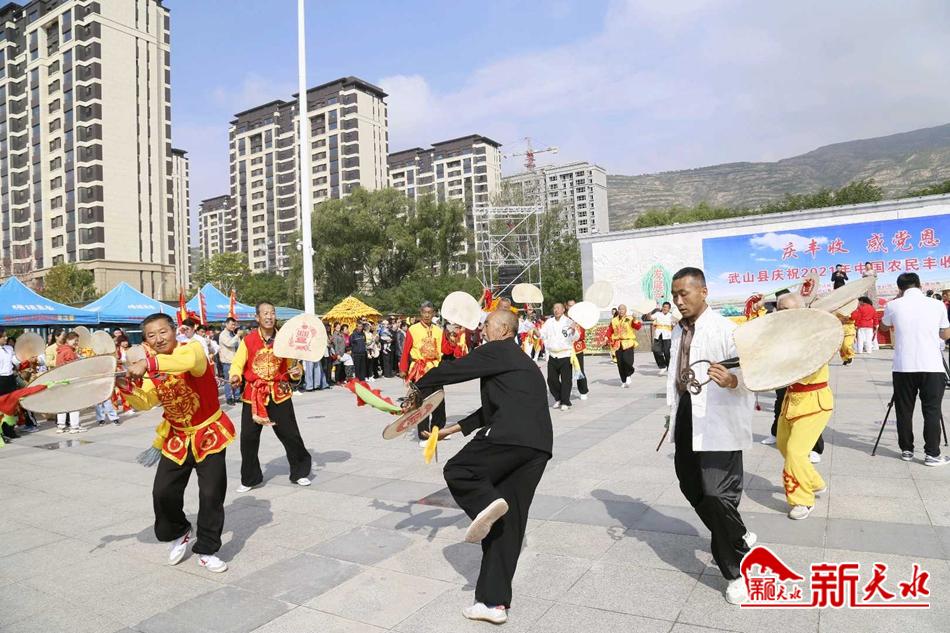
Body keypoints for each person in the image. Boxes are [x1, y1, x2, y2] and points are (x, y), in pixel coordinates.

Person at [408, 309, 551, 625]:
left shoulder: (498, 349)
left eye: (486, 324)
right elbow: (491, 409)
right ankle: (493, 604)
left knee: (459, 470)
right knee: (507, 526)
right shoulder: (520, 361)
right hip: (537, 448)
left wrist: (418, 387)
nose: (482, 328)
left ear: (502, 329)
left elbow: (456, 369)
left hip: (509, 437)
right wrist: (452, 429)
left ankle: (487, 502)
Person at [667, 267, 755, 605]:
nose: (678, 301)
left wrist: (732, 381)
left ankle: (736, 570)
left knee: (717, 493)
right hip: (687, 413)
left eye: (684, 293)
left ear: (703, 292)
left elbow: (752, 373)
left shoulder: (727, 330)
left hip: (719, 419)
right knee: (690, 485)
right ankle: (736, 531)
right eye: (675, 295)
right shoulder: (679, 330)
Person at [123, 313, 234, 573]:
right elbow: (146, 401)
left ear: (175, 331)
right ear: (146, 341)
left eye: (163, 331)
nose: (159, 338)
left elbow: (187, 362)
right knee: (162, 492)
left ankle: (207, 549)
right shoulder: (153, 370)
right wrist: (126, 388)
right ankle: (179, 530)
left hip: (209, 433)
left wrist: (149, 362)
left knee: (211, 494)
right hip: (177, 436)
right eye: (151, 335)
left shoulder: (192, 349)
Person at [228, 302, 312, 491]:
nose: (269, 316)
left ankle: (300, 472)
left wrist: (296, 372)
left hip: (279, 393)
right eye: (265, 313)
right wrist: (235, 376)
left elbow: (293, 366)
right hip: (254, 394)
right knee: (248, 438)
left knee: (290, 435)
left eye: (272, 313)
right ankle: (250, 479)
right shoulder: (248, 340)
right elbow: (237, 364)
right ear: (257, 317)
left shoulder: (285, 339)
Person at [879, 272, 950, 466]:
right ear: (919, 285)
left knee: (903, 410)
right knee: (932, 410)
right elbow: (945, 335)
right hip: (931, 365)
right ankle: (932, 454)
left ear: (900, 288)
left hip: (903, 366)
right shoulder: (937, 304)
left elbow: (883, 328)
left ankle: (907, 450)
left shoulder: (893, 305)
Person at [773, 292, 831, 520]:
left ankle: (802, 500)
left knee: (795, 452)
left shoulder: (814, 333)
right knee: (783, 445)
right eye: (779, 309)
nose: (781, 314)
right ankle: (814, 482)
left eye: (786, 309)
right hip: (791, 400)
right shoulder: (781, 335)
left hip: (814, 401)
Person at [399, 301, 451, 445]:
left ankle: (438, 430)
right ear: (420, 313)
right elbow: (406, 351)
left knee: (439, 401)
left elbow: (445, 350)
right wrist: (403, 369)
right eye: (424, 312)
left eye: (430, 312)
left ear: (433, 313)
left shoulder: (439, 330)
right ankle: (423, 435)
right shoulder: (413, 329)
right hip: (420, 370)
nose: (427, 315)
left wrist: (453, 339)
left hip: (435, 368)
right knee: (422, 403)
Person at [540, 303, 578, 410]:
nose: (556, 310)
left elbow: (576, 337)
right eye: (554, 308)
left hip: (565, 354)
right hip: (553, 354)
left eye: (558, 308)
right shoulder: (549, 322)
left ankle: (565, 401)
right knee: (551, 380)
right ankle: (558, 398)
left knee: (566, 380)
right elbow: (543, 333)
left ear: (563, 310)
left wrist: (573, 330)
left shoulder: (569, 322)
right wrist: (537, 333)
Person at [55, 332, 84, 434]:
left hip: (61, 380)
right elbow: (73, 367)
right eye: (75, 340)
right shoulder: (69, 351)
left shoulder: (60, 350)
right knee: (74, 404)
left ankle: (61, 426)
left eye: (77, 341)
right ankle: (74, 426)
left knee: (63, 404)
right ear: (68, 340)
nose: (76, 342)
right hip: (70, 380)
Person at [608, 304, 641, 388]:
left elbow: (637, 327)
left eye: (622, 309)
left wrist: (635, 319)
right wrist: (606, 337)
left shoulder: (630, 318)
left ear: (625, 310)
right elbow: (610, 330)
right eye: (619, 309)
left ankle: (628, 374)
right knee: (620, 363)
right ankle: (623, 380)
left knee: (627, 360)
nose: (621, 311)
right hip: (618, 343)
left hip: (628, 342)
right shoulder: (614, 320)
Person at [565, 299, 590, 400]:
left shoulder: (580, 319)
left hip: (577, 348)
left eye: (573, 305)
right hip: (566, 349)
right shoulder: (564, 319)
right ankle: (567, 390)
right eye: (570, 305)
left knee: (579, 369)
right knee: (566, 371)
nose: (571, 307)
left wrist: (573, 331)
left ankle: (583, 391)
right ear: (566, 307)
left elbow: (582, 335)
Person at [646, 302, 676, 374]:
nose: (665, 308)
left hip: (667, 336)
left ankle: (670, 367)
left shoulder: (671, 316)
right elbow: (650, 318)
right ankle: (662, 366)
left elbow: (674, 325)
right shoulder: (658, 314)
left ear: (669, 309)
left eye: (667, 307)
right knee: (655, 350)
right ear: (662, 307)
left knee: (667, 352)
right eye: (664, 307)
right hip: (658, 335)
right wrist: (648, 312)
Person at [218, 318, 241, 405]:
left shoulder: (233, 334)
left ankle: (237, 397)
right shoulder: (223, 334)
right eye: (232, 324)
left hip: (235, 360)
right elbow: (230, 343)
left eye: (234, 325)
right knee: (228, 380)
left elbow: (239, 345)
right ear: (226, 324)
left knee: (237, 378)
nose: (233, 326)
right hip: (227, 361)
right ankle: (229, 397)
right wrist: (237, 336)